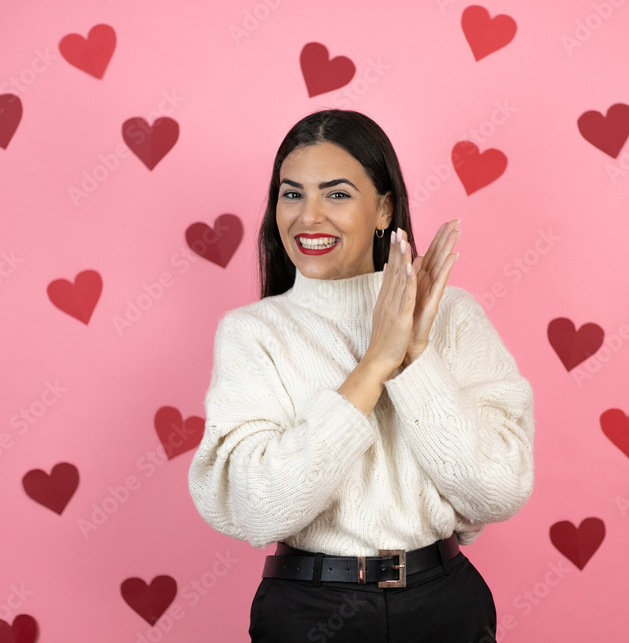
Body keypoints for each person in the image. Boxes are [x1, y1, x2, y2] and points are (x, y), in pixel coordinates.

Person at [188, 109, 535, 642]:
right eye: (292, 193)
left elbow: (499, 490)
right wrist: (375, 363)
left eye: (337, 194)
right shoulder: (252, 333)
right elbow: (260, 509)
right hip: (309, 610)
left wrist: (415, 360)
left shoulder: (452, 316)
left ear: (384, 209)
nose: (309, 216)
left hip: (444, 602)